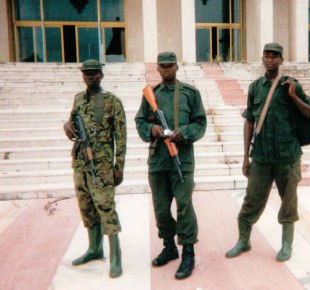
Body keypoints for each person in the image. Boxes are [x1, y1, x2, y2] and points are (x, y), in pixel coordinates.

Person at [225, 43, 310, 262]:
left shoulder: (291, 84)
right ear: (262, 58)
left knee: (288, 201)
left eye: (274, 56)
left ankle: (287, 244)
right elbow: (249, 122)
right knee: (251, 200)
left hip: (287, 156)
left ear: (281, 60)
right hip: (262, 157)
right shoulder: (255, 87)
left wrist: (294, 97)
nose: (270, 59)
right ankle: (243, 240)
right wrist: (245, 156)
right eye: (266, 55)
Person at [135, 52, 207, 279]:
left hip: (182, 159)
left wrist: (183, 133)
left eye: (170, 66)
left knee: (184, 205)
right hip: (158, 159)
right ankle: (169, 246)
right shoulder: (151, 96)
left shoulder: (190, 93)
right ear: (158, 68)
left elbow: (200, 123)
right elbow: (140, 121)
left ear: (177, 67)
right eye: (162, 66)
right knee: (160, 207)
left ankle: (188, 252)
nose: (166, 69)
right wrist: (152, 130)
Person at [63, 59, 127, 278]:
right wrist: (66, 126)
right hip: (80, 162)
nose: (90, 77)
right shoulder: (78, 100)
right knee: (86, 206)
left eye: (94, 73)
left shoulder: (111, 102)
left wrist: (119, 166)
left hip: (102, 166)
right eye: (86, 73)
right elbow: (71, 123)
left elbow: (121, 137)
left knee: (106, 207)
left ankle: (116, 255)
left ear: (101, 74)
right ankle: (94, 249)